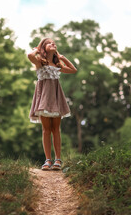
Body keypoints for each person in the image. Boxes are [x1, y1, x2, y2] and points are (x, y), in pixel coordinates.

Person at [27, 38, 77, 170]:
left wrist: (62, 58)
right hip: (43, 98)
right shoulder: (39, 62)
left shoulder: (57, 66)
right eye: (49, 43)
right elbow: (30, 55)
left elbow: (73, 70)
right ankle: (48, 160)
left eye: (54, 43)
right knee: (46, 130)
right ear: (43, 47)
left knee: (56, 129)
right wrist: (38, 48)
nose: (53, 44)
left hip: (55, 98)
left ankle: (58, 160)